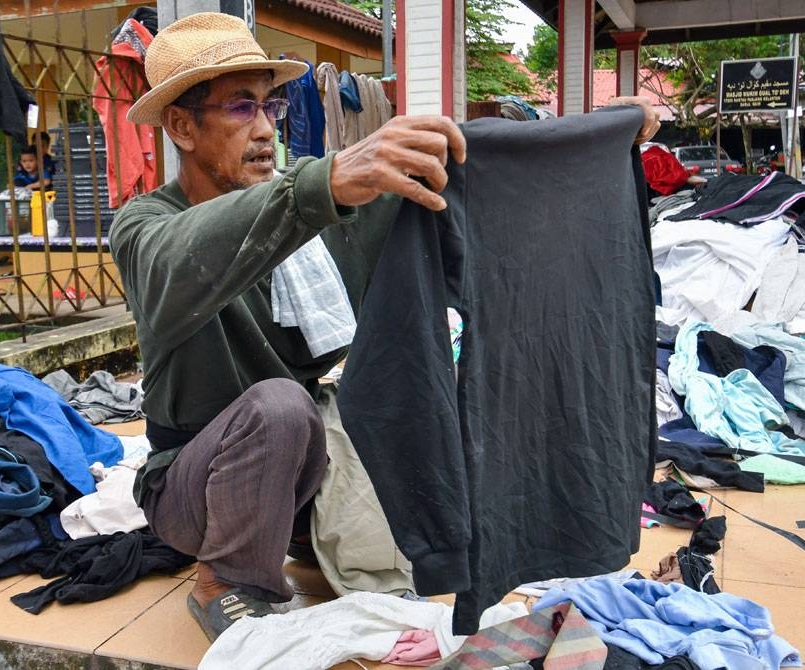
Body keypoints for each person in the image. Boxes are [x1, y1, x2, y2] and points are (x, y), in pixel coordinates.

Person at [109, 12, 660, 642]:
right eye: (240, 107)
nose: (264, 130)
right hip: (190, 485)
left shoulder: (306, 206)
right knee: (282, 407)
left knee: (390, 408)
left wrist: (597, 136)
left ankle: (302, 533)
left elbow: (456, 172)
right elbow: (182, 258)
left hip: (298, 466)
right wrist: (324, 182)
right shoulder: (145, 226)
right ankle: (226, 579)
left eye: (271, 106)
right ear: (181, 126)